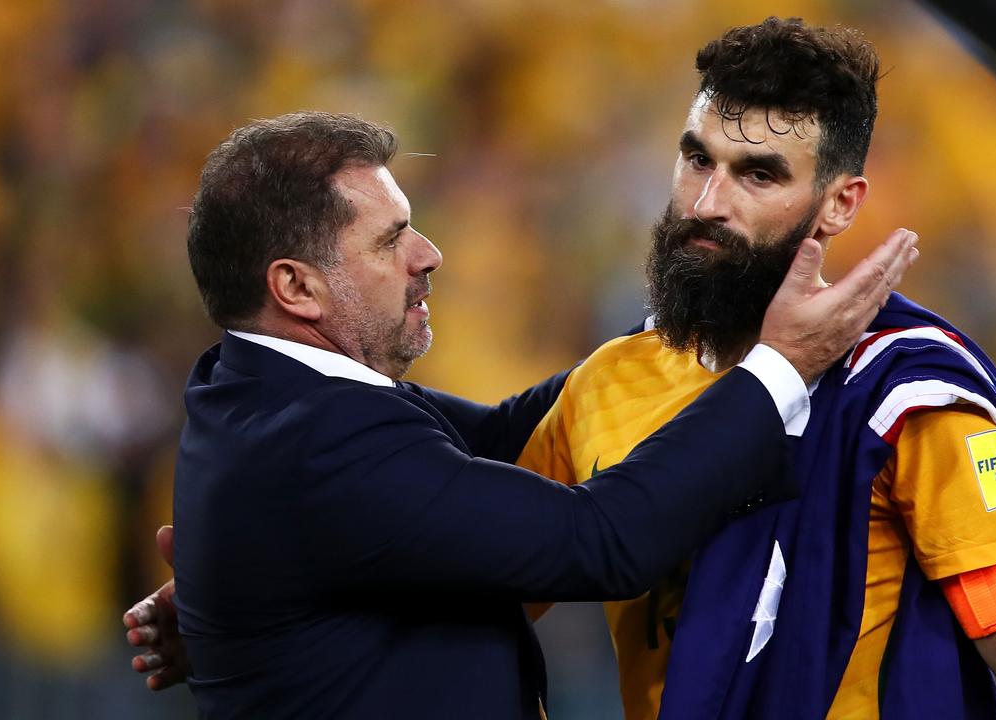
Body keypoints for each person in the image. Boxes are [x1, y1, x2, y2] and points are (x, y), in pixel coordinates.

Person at [132, 110, 916, 719]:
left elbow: (514, 434)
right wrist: (781, 366)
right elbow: (600, 541)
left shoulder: (259, 393)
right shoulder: (321, 444)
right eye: (391, 240)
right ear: (295, 288)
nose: (428, 254)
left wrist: (705, 316)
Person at [512, 18, 996, 720]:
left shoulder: (906, 397)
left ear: (840, 203)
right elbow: (487, 611)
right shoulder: (605, 382)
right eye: (698, 160)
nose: (707, 204)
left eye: (758, 175)